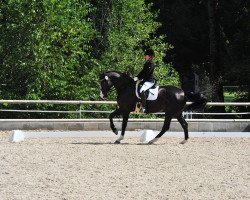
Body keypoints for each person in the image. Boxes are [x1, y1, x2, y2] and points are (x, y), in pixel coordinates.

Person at [134, 48, 155, 112]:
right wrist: (137, 76)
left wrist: (140, 78)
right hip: (145, 80)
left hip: (149, 81)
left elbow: (147, 73)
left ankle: (144, 107)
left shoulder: (151, 63)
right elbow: (142, 71)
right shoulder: (147, 63)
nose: (145, 57)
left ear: (150, 56)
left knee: (142, 90)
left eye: (146, 55)